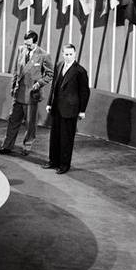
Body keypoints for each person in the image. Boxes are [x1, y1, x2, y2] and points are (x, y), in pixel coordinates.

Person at [0, 31, 53, 156]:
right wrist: (13, 85)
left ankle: (27, 146)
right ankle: (7, 146)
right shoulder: (21, 50)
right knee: (13, 120)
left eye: (29, 45)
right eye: (26, 44)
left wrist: (40, 83)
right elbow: (16, 70)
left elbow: (50, 74)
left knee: (30, 123)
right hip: (19, 92)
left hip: (32, 94)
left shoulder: (43, 55)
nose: (27, 47)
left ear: (35, 43)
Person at [45, 44, 90, 174]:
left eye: (71, 54)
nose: (68, 57)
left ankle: (64, 165)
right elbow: (54, 86)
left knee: (66, 139)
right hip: (57, 108)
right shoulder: (59, 65)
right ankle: (53, 161)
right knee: (55, 137)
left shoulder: (80, 71)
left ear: (75, 55)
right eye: (66, 54)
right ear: (63, 54)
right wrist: (49, 103)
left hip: (70, 110)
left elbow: (84, 92)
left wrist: (82, 110)